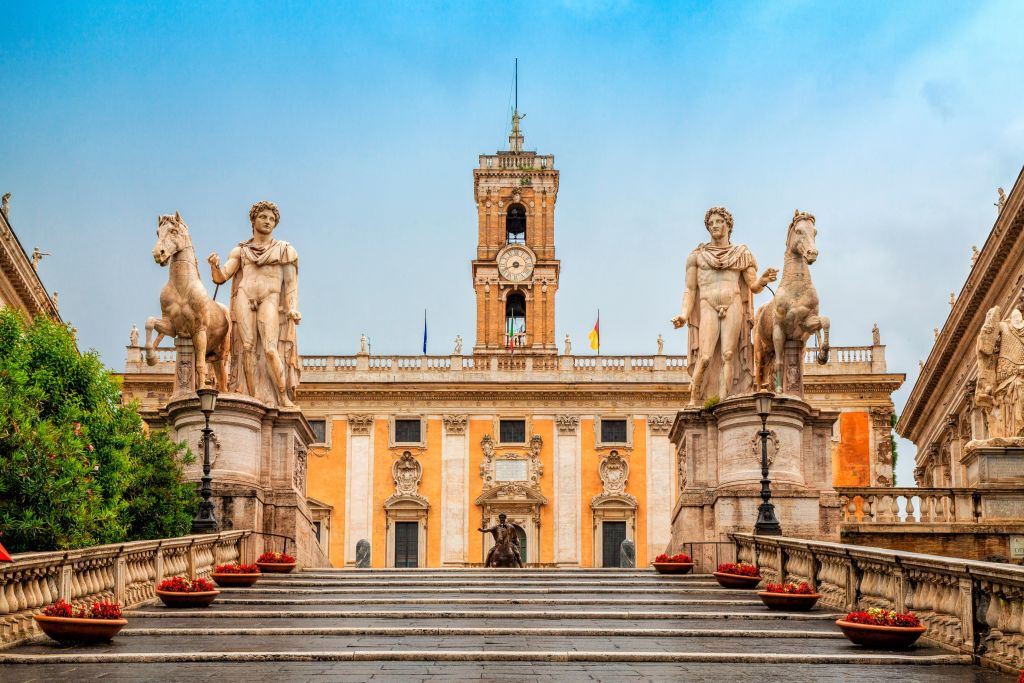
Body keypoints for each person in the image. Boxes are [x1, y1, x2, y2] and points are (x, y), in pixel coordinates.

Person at [671, 207, 776, 405]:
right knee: (705, 356)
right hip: (707, 305)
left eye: (718, 221)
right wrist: (684, 315)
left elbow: (752, 286)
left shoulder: (741, 254)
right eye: (710, 224)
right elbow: (690, 289)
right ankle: (695, 399)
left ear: (728, 225)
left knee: (729, 354)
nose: (714, 226)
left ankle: (722, 402)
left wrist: (763, 280)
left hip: (733, 303)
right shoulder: (697, 256)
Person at [208, 201, 300, 407]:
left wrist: (293, 306)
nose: (268, 221)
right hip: (244, 295)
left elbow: (291, 284)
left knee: (269, 348)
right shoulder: (241, 251)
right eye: (263, 217)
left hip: (270, 298)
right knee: (246, 347)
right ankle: (251, 396)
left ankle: (282, 396)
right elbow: (222, 276)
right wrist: (214, 266)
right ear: (253, 220)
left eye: (272, 219)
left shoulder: (285, 250)